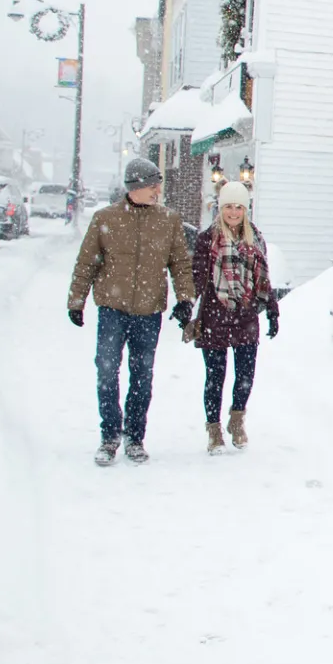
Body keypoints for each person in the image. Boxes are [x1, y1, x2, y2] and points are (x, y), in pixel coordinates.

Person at [67, 157, 196, 466]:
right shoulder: (105, 219)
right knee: (107, 372)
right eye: (153, 185)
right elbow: (86, 263)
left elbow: (180, 263)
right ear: (137, 187)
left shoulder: (169, 220)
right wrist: (76, 301)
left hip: (148, 312)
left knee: (142, 376)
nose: (157, 190)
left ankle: (135, 437)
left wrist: (185, 298)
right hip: (112, 310)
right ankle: (110, 435)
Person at [187, 181, 278, 453]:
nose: (234, 212)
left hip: (246, 316)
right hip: (215, 315)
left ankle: (236, 421)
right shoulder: (207, 239)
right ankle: (213, 430)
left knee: (245, 375)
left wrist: (272, 310)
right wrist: (186, 304)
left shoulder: (256, 238)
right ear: (221, 208)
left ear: (246, 209)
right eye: (229, 207)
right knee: (215, 377)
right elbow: (198, 276)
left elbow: (264, 278)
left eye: (239, 207)